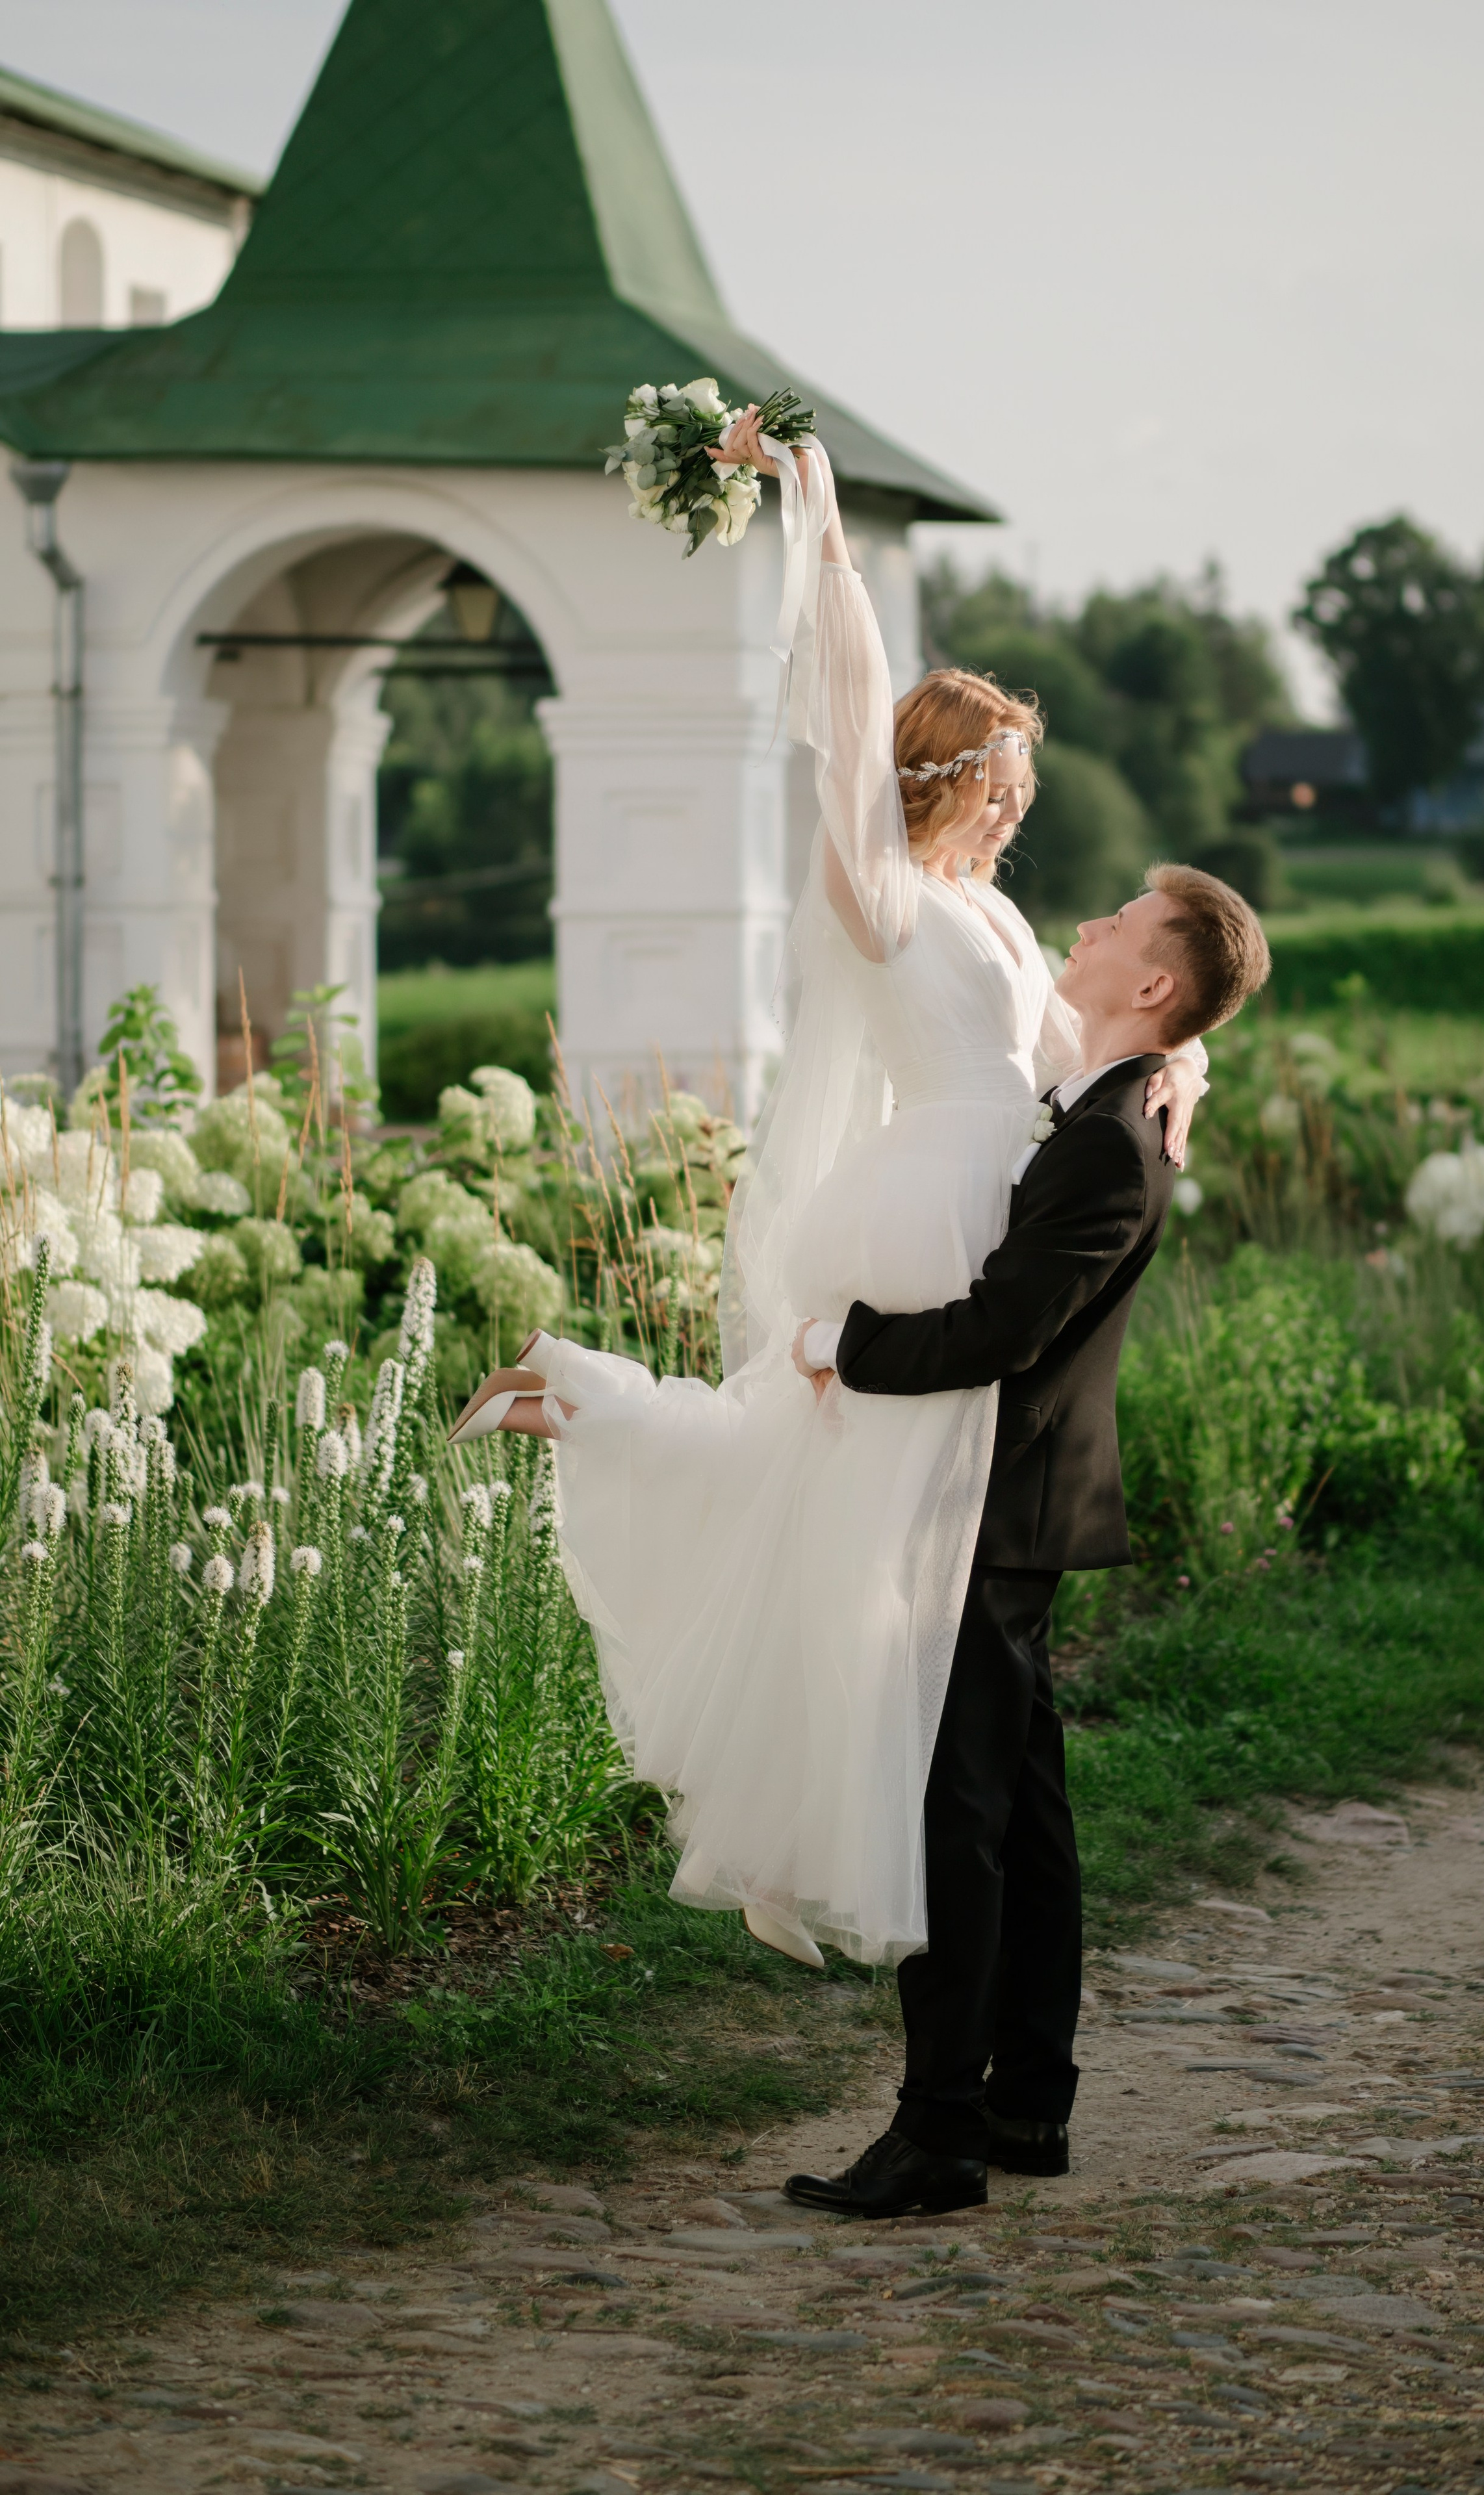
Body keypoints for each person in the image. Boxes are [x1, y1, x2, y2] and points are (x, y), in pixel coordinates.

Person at [447, 413, 1209, 1973]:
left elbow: (1081, 1051)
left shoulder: (994, 919)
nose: (1018, 806)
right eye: (1002, 780)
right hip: (930, 1202)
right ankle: (855, 1827)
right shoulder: (879, 898)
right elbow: (844, 718)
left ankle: (577, 1401)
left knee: (820, 1503)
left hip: (992, 1191)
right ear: (945, 774)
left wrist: (1184, 1062)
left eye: (1022, 784)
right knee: (850, 1529)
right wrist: (820, 517)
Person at [780, 865, 1272, 2218]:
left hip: (994, 1510)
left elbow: (1002, 1329)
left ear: (1153, 983)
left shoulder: (1111, 1140)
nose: (1089, 923)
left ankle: (938, 2131)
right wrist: (1189, 1060)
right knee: (1027, 1816)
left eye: (1121, 923)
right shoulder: (1119, 1103)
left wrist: (836, 1344)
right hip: (1020, 1502)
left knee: (959, 1819)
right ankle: (1025, 2104)